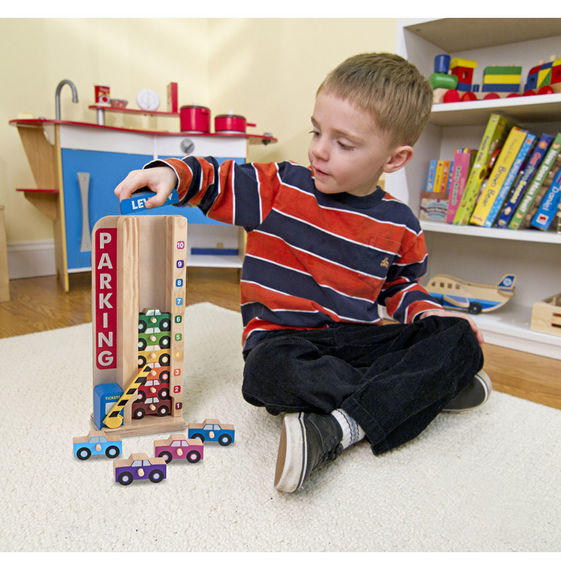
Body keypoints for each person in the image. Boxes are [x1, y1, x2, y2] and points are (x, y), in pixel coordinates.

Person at [114, 52, 491, 494]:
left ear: (394, 159)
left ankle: (338, 426)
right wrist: (169, 174)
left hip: (355, 341)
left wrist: (429, 316)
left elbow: (401, 287)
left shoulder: (401, 223)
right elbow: (216, 177)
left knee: (460, 337)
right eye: (317, 131)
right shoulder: (280, 187)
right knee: (265, 375)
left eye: (344, 143)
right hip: (283, 340)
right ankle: (412, 394)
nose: (319, 149)